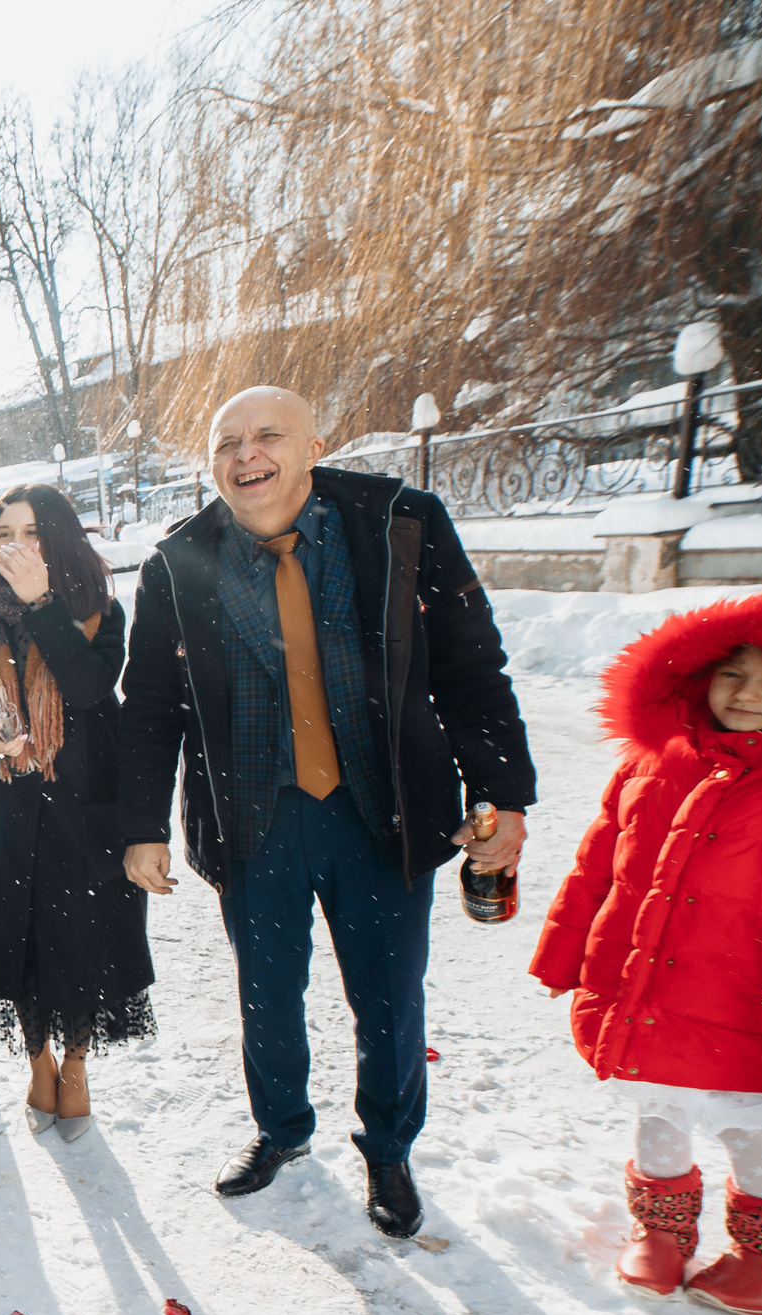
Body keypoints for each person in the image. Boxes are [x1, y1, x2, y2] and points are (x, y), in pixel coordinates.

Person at [117, 385, 537, 1236]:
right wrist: (141, 826)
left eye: (268, 434)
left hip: (377, 811)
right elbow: (152, 705)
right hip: (254, 818)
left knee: (387, 995)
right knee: (265, 995)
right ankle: (280, 1129)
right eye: (226, 442)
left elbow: (470, 663)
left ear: (314, 444)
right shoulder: (176, 563)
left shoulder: (400, 523)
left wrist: (499, 792)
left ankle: (388, 1144)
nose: (247, 455)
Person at [530, 597, 762, 1315]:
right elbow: (598, 865)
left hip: (746, 998)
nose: (747, 694)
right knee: (659, 1109)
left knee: (748, 1120)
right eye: (733, 673)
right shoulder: (653, 761)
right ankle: (662, 1230)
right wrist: (563, 957)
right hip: (644, 984)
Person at [0, 484, 153, 1142]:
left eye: (32, 532)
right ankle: (40, 1060)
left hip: (86, 808)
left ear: (57, 540)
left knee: (84, 942)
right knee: (20, 944)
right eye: (6, 533)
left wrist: (41, 605)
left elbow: (89, 688)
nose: (18, 545)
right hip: (6, 810)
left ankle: (78, 1063)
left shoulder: (97, 613)